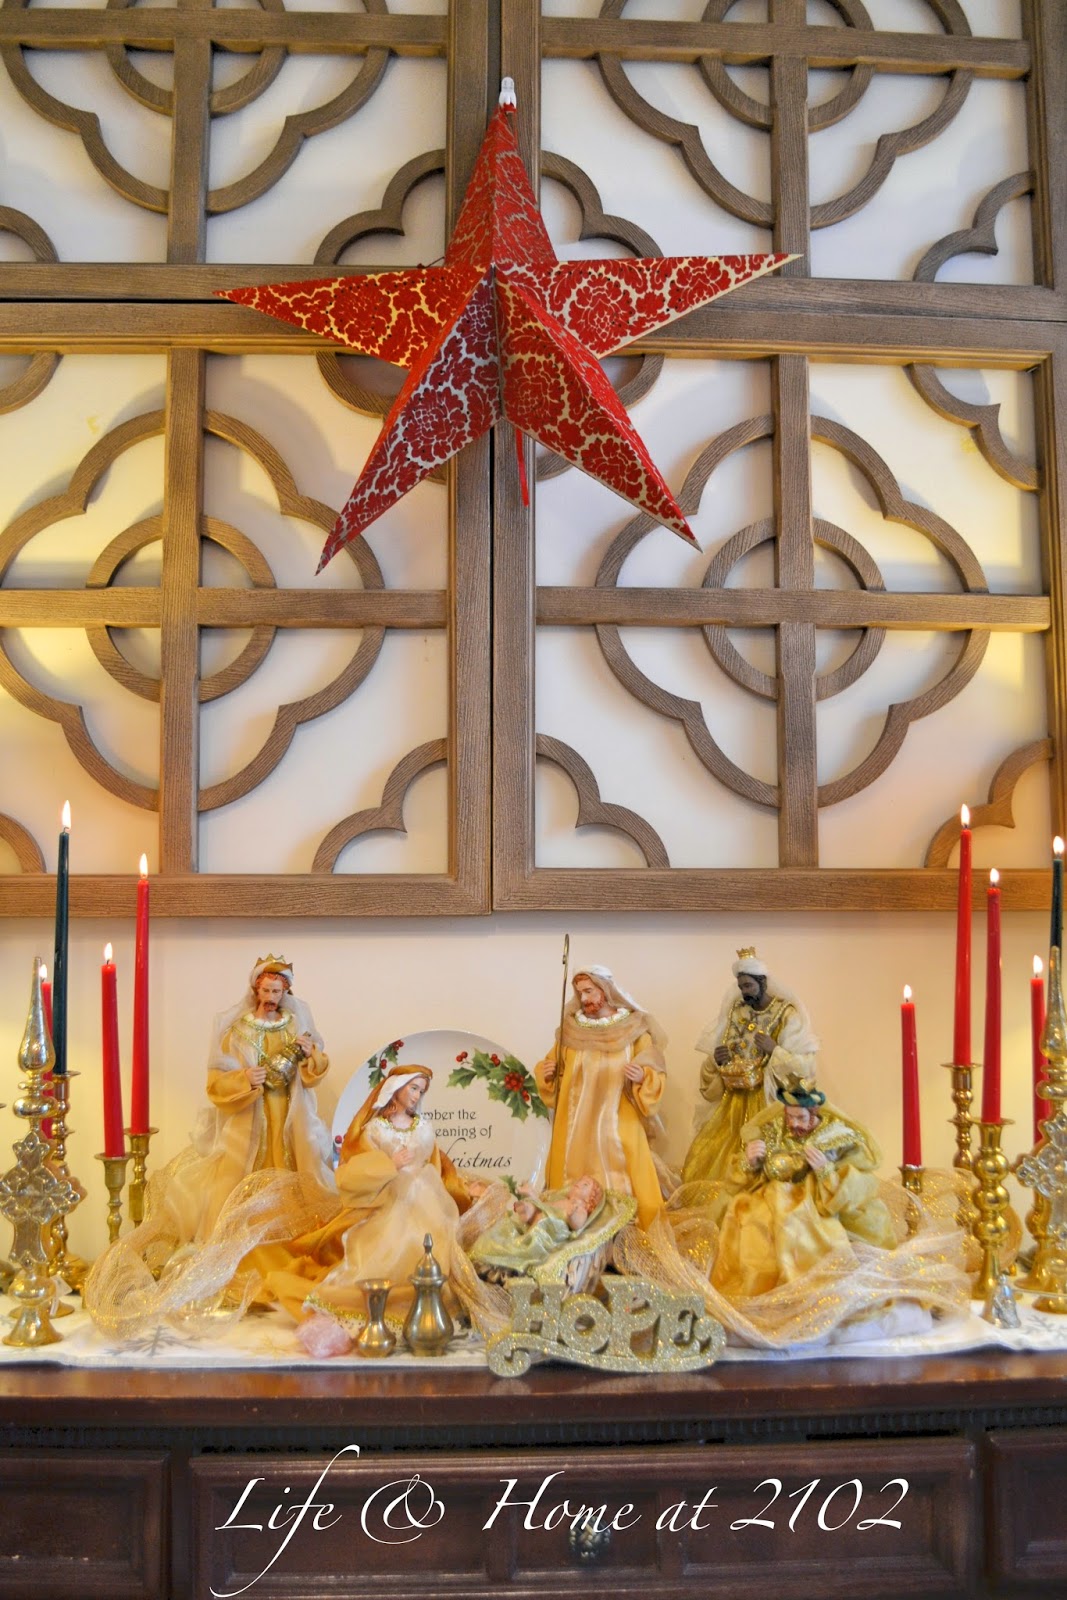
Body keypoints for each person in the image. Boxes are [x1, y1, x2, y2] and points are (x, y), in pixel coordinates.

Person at [251, 1064, 480, 1350]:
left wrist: (457, 1191)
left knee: (436, 1247)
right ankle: (387, 1303)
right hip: (390, 1198)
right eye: (413, 1088)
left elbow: (435, 1163)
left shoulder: (423, 1125)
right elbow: (355, 1169)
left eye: (421, 1091)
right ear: (396, 1088)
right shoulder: (375, 1129)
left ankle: (430, 1304)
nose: (416, 1096)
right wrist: (389, 1164)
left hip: (428, 1198)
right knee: (389, 1248)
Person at [710, 1078, 897, 1299]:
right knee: (748, 1217)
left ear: (814, 1113)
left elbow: (858, 1182)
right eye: (790, 1117)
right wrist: (750, 1162)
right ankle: (760, 1288)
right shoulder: (773, 1131)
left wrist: (825, 1171)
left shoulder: (834, 1138)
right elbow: (746, 1178)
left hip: (817, 1205)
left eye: (800, 1118)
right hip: (769, 1200)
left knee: (806, 1227)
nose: (794, 1124)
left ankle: (811, 1290)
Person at [189, 954, 334, 1238]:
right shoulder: (238, 1031)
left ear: (285, 992)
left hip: (289, 1112)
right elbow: (216, 1084)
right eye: (266, 990)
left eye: (276, 991)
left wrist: (310, 1054)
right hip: (250, 1115)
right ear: (256, 990)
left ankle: (293, 1229)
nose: (271, 997)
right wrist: (243, 1078)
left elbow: (315, 1070)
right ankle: (243, 1228)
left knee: (296, 1161)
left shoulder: (295, 1026)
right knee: (240, 1169)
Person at [534, 965, 666, 1229]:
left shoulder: (634, 1030)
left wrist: (643, 1076)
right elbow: (555, 1068)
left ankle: (628, 1227)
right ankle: (572, 1221)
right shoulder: (572, 1030)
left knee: (628, 1166)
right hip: (576, 1121)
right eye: (579, 993)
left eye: (589, 991)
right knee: (571, 1171)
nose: (583, 999)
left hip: (618, 1115)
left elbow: (655, 1070)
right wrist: (547, 1072)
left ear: (605, 990)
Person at [681, 947, 818, 1188]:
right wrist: (718, 1058)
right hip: (734, 1100)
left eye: (748, 986)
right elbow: (722, 1054)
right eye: (741, 986)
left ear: (762, 982)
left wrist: (775, 1050)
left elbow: (805, 1066)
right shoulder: (736, 1011)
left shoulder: (785, 1014)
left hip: (768, 1100)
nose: (744, 992)